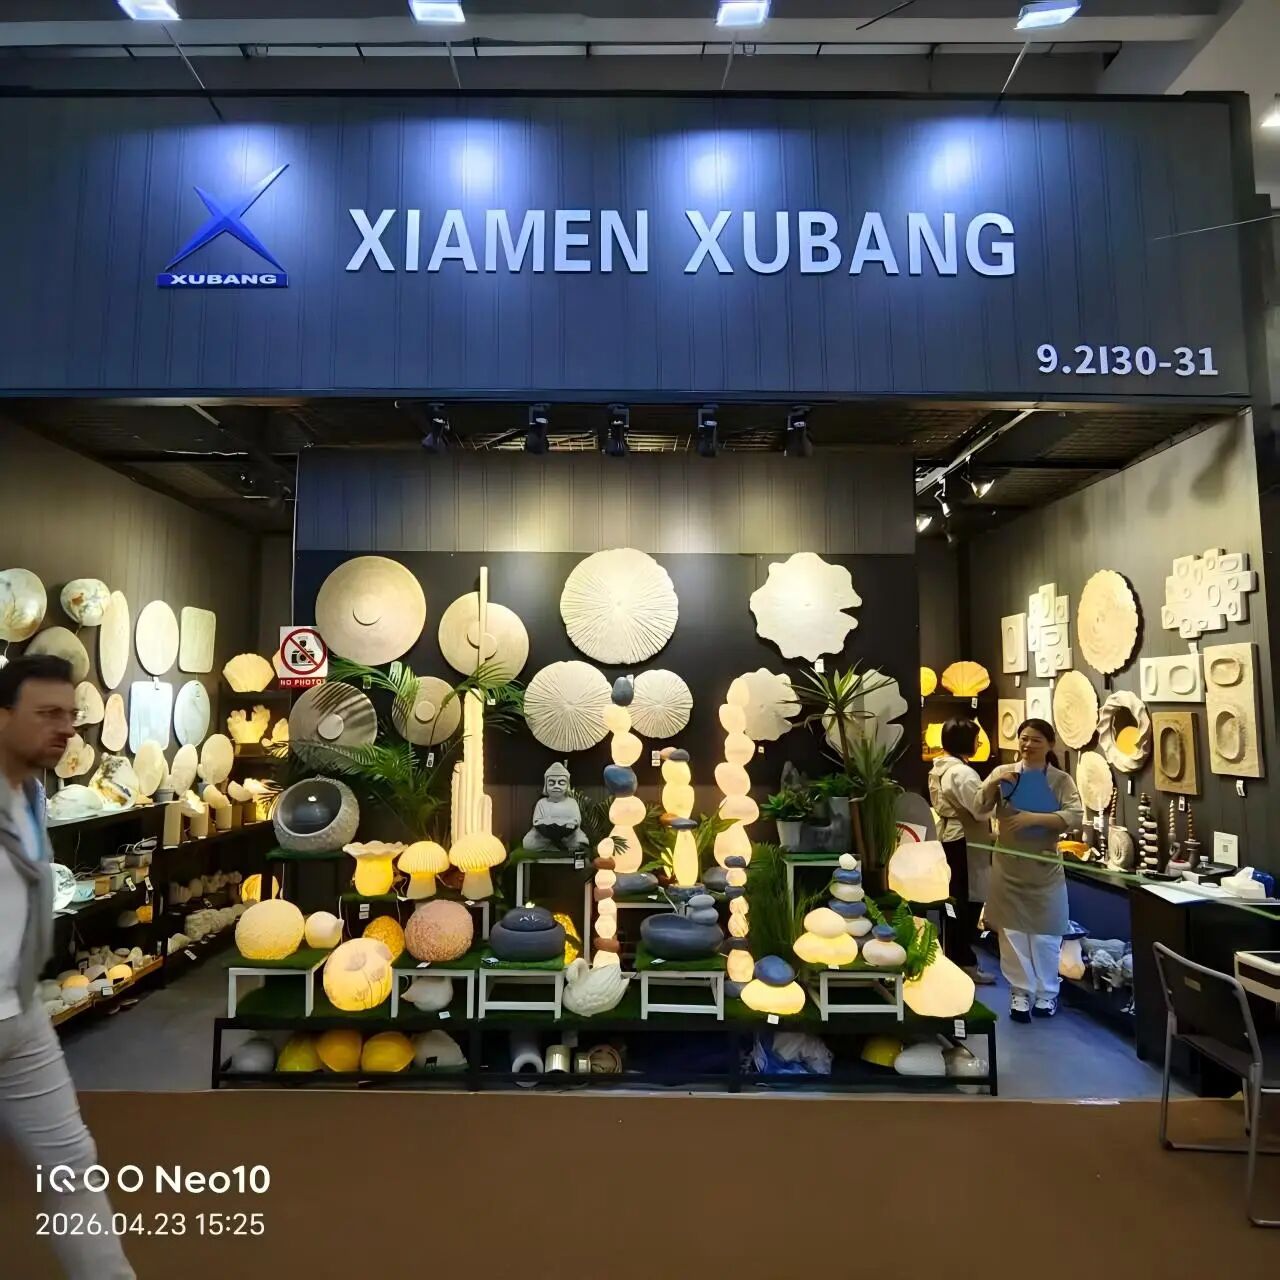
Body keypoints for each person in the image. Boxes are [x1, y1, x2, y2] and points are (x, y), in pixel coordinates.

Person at [0, 655, 136, 1279]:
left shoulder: (31, 794)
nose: (64, 728)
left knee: (72, 1165)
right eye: (46, 714)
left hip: (20, 1018)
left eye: (70, 716)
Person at [978, 717, 1083, 1024]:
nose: (1027, 744)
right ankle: (1020, 992)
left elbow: (1074, 815)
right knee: (1012, 935)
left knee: (1046, 934)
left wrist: (1033, 819)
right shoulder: (1004, 773)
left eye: (1036, 739)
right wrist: (992, 784)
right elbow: (979, 807)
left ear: (1050, 744)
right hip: (1008, 867)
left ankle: (1047, 993)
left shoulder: (1060, 780)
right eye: (1023, 738)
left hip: (1045, 868)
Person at [927, 717, 995, 985]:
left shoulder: (940, 768)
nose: (978, 743)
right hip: (964, 838)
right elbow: (980, 809)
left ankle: (954, 955)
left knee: (954, 899)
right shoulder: (962, 773)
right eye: (976, 739)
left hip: (949, 837)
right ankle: (963, 960)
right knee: (968, 901)